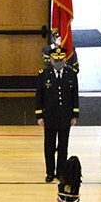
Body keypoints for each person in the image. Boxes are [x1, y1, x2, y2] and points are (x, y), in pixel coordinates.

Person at [35, 45, 79, 183]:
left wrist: (74, 115)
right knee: (49, 146)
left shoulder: (71, 74)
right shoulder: (43, 74)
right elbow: (39, 97)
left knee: (63, 146)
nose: (59, 63)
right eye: (56, 61)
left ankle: (60, 172)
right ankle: (49, 172)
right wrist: (39, 116)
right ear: (51, 60)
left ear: (64, 60)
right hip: (49, 117)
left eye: (61, 61)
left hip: (65, 117)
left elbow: (74, 96)